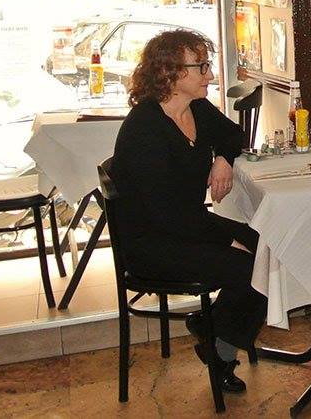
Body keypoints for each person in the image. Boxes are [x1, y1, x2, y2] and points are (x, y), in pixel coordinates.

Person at [111, 30, 265, 393]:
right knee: (251, 268)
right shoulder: (145, 129)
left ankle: (211, 328)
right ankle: (221, 348)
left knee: (269, 245)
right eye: (202, 67)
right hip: (151, 241)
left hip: (185, 224)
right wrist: (227, 239)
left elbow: (232, 134)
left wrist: (222, 159)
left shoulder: (195, 109)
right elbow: (166, 216)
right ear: (173, 73)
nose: (210, 75)